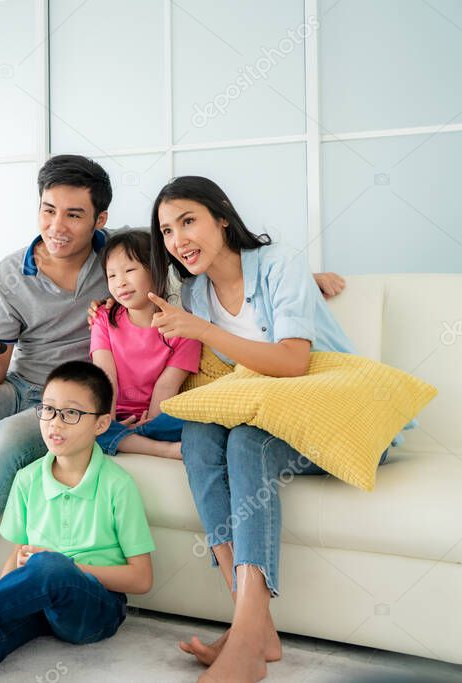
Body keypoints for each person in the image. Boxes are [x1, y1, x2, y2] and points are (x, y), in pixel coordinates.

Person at [0, 155, 347, 601]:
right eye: (49, 211)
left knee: (7, 438)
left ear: (100, 218)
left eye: (75, 215)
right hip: (17, 383)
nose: (58, 226)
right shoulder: (10, 273)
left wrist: (305, 277)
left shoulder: (122, 255)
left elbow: (206, 262)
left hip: (70, 400)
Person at [144, 176, 390, 683]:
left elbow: (294, 362)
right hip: (277, 416)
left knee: (247, 440)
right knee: (198, 433)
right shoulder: (194, 291)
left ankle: (249, 639)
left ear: (223, 218)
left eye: (188, 221)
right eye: (167, 230)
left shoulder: (279, 265)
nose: (178, 239)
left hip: (344, 418)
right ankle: (254, 627)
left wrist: (208, 329)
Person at [0, 361, 153, 683]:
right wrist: (4, 598)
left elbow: (142, 579)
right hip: (40, 599)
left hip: (95, 607)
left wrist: (67, 567)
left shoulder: (118, 485)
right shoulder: (27, 478)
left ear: (102, 424)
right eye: (47, 409)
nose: (55, 424)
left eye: (71, 413)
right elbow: (18, 554)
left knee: (51, 566)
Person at [90, 229, 201, 460]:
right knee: (87, 425)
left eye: (130, 270)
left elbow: (166, 387)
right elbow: (105, 376)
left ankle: (129, 438)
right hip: (110, 410)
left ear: (156, 269)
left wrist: (147, 424)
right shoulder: (103, 318)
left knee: (195, 424)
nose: (120, 282)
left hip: (157, 417)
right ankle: (162, 449)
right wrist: (108, 422)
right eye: (111, 276)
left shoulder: (184, 330)